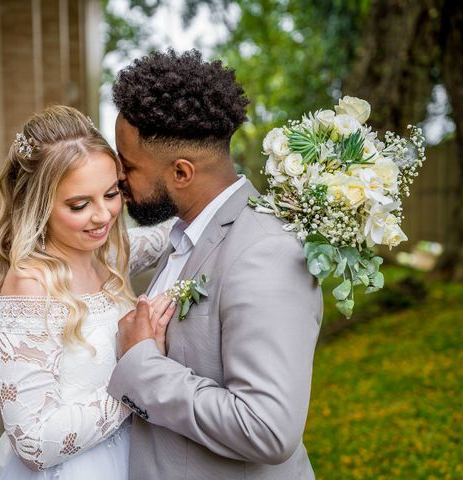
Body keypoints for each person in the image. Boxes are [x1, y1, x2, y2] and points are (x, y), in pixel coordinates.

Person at [108, 49, 323, 479]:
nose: (117, 177)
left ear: (182, 173)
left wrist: (141, 364)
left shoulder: (265, 252)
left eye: (128, 164)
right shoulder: (187, 234)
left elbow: (268, 429)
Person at [0, 105, 175, 479]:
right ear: (38, 205)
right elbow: (32, 442)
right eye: (79, 205)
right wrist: (137, 379)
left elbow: (174, 233)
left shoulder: (109, 255)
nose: (103, 215)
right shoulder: (32, 286)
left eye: (111, 193)